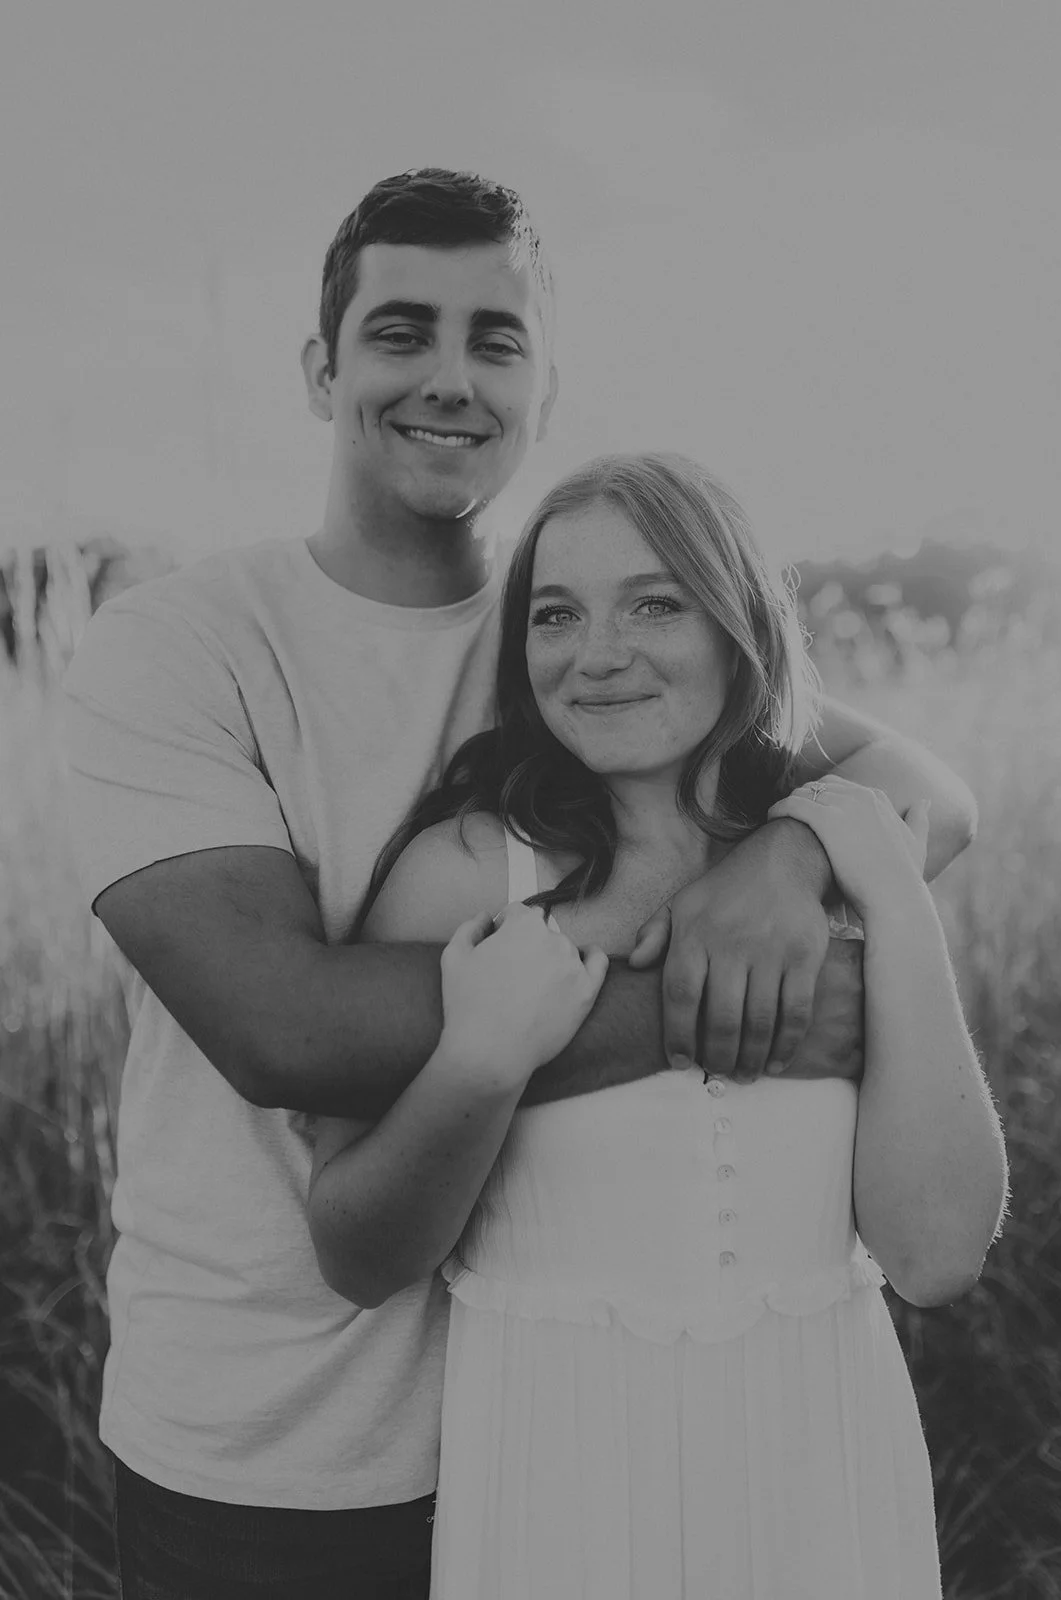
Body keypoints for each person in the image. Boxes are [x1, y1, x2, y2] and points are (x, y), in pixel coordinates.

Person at [62, 170, 979, 1600]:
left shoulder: (594, 621)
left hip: (570, 1415)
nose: (447, 377)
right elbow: (283, 1031)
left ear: (544, 385)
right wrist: (710, 1012)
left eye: (495, 340)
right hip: (284, 1433)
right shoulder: (182, 646)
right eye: (399, 331)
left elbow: (926, 792)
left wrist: (794, 861)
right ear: (321, 371)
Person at [308, 452, 1008, 1599]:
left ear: (738, 624)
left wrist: (867, 888)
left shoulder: (841, 847)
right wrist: (481, 1064)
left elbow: (931, 1255)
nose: (596, 652)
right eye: (554, 614)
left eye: (653, 602)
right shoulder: (469, 872)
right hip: (562, 1482)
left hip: (816, 1477)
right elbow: (355, 1248)